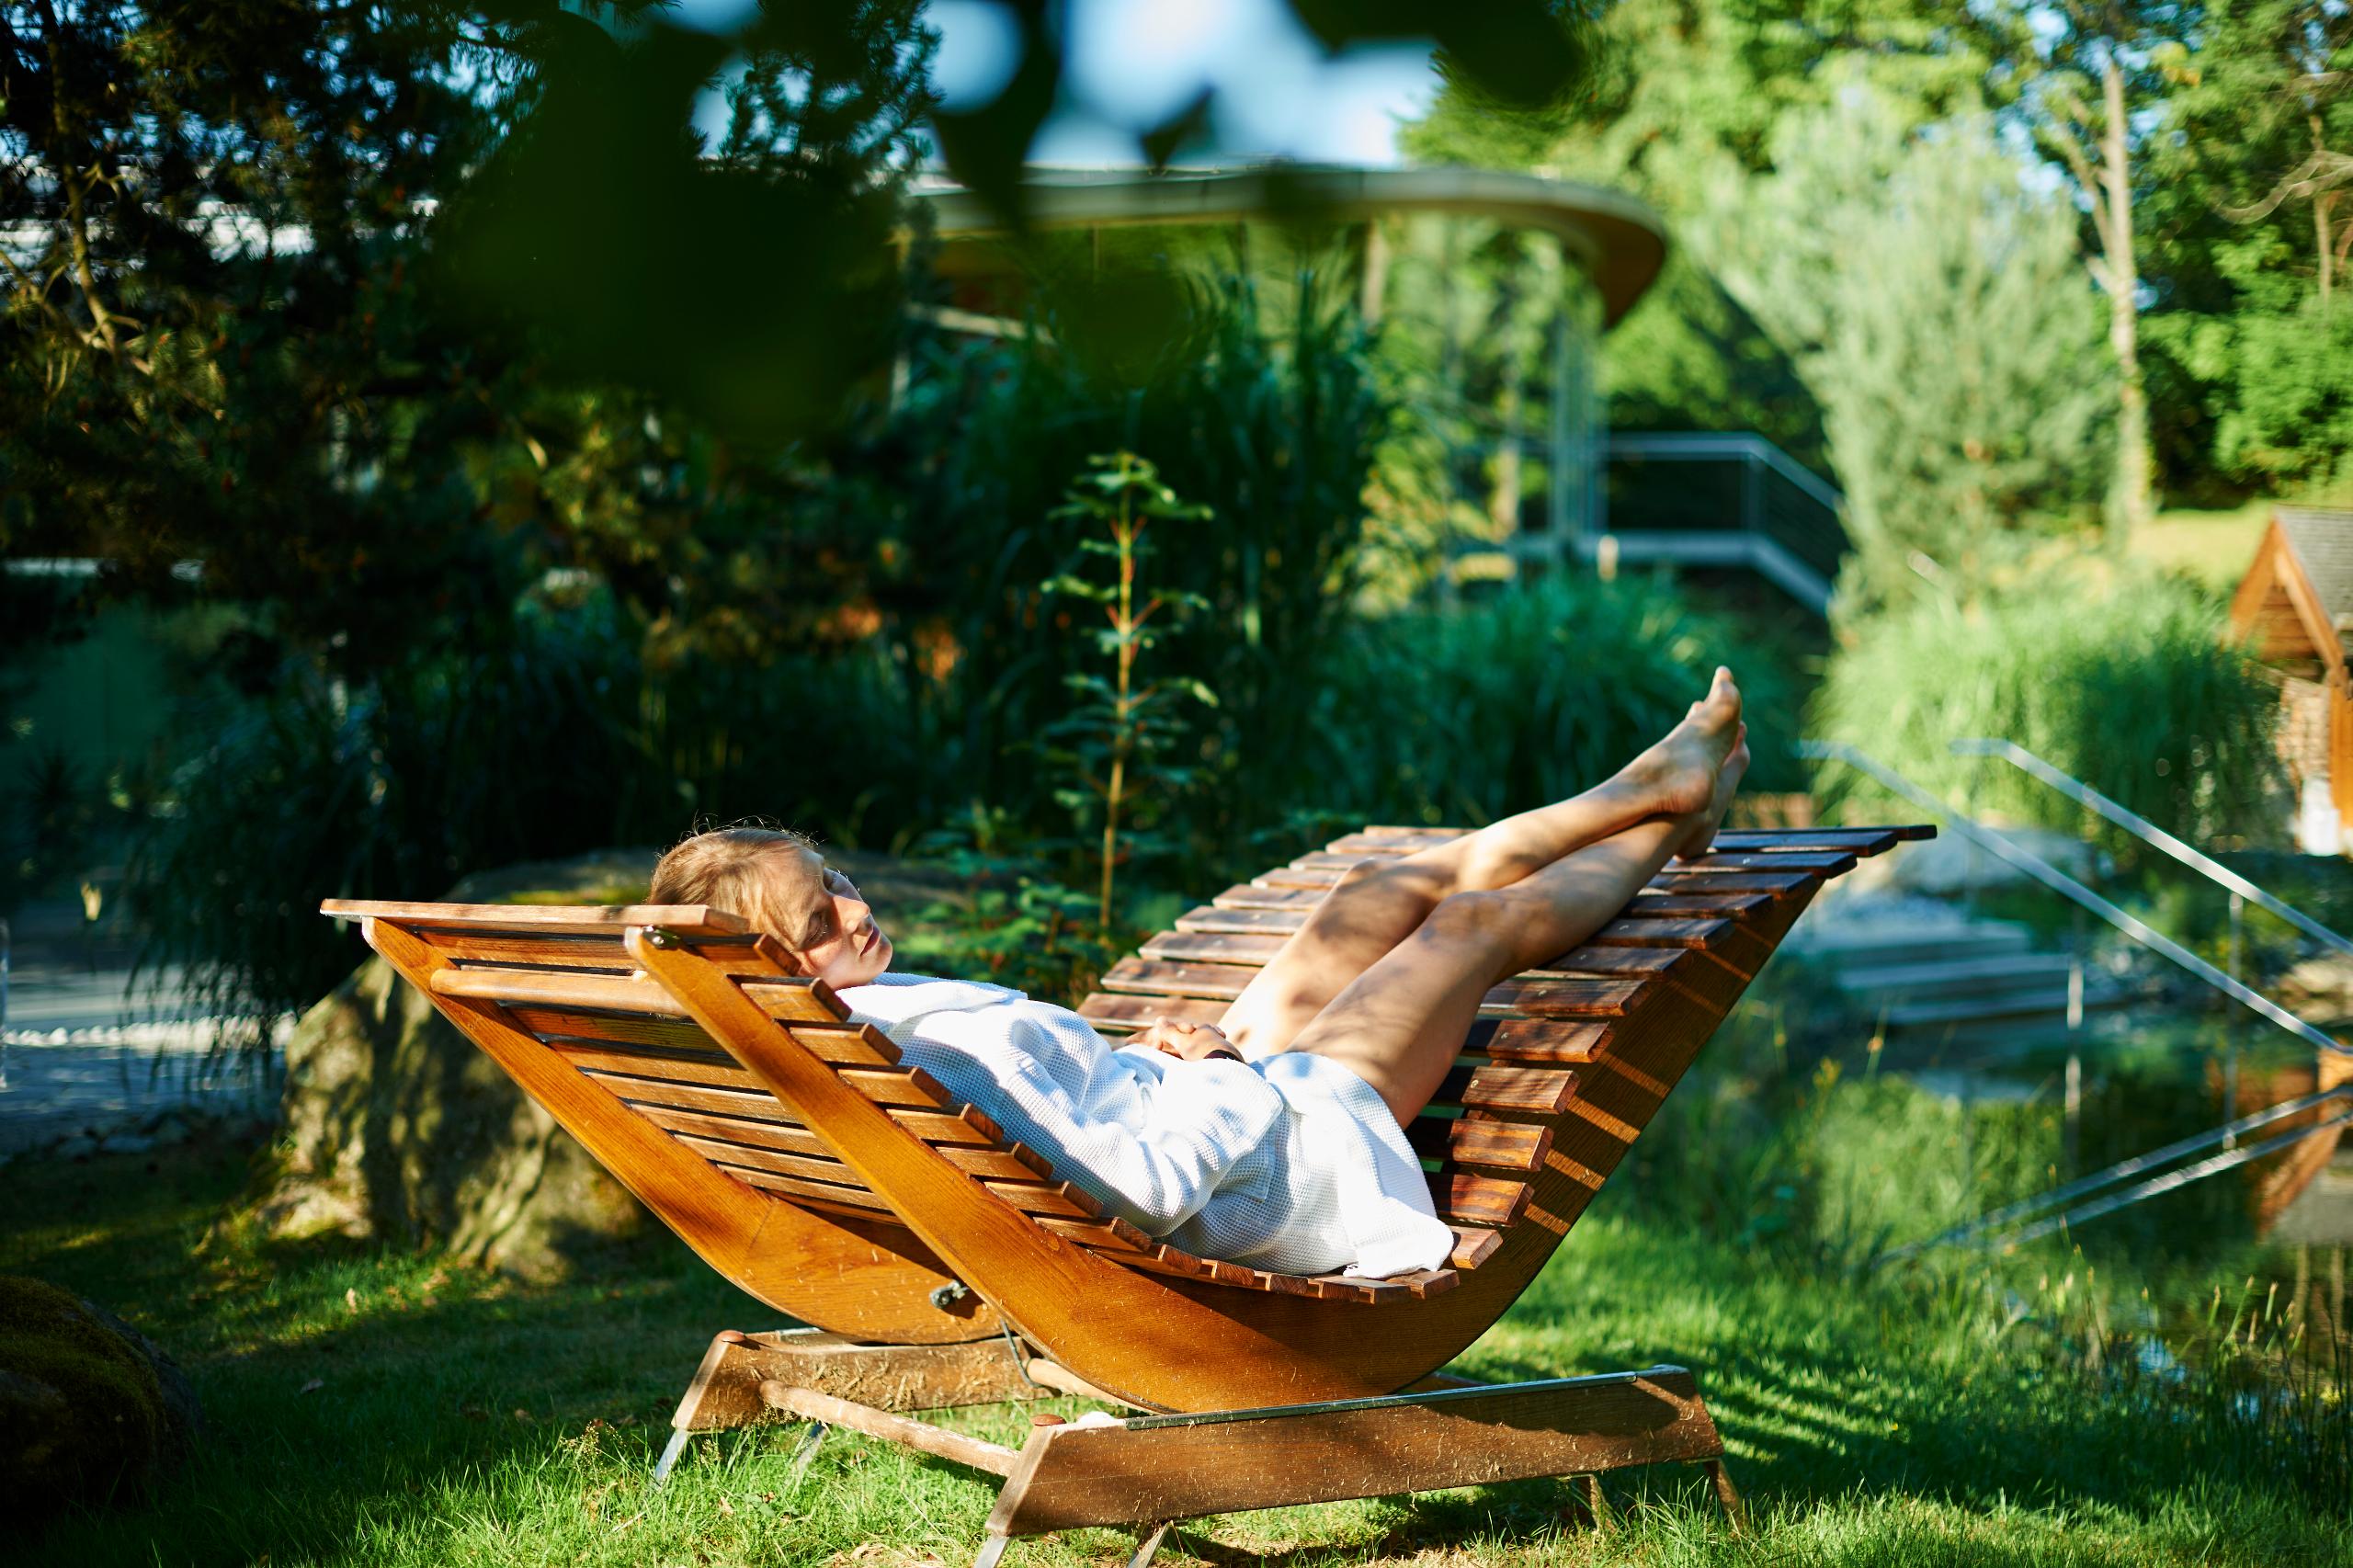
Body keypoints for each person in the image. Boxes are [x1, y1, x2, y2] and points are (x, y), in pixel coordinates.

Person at [648, 669, 1749, 1279]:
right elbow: (1150, 1191)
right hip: (1281, 1157)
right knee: (1465, 927)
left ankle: (1649, 783)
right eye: (822, 914)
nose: (855, 904)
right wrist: (1222, 1068)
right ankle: (1673, 817)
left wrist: (1149, 1061)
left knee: (1369, 896)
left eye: (835, 876)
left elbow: (1068, 1128)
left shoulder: (846, 1033)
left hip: (1211, 1108)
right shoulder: (930, 1046)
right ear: (777, 961)